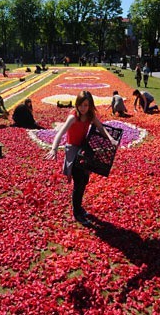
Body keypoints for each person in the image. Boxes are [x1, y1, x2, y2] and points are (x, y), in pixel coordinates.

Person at [44, 90, 117, 225]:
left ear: (90, 105)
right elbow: (60, 132)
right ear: (77, 104)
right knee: (78, 183)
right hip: (73, 150)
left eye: (86, 105)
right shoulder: (73, 117)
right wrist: (54, 148)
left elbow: (101, 128)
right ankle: (77, 212)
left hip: (83, 150)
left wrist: (111, 138)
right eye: (81, 105)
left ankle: (79, 208)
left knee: (84, 181)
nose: (83, 108)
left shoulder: (90, 115)